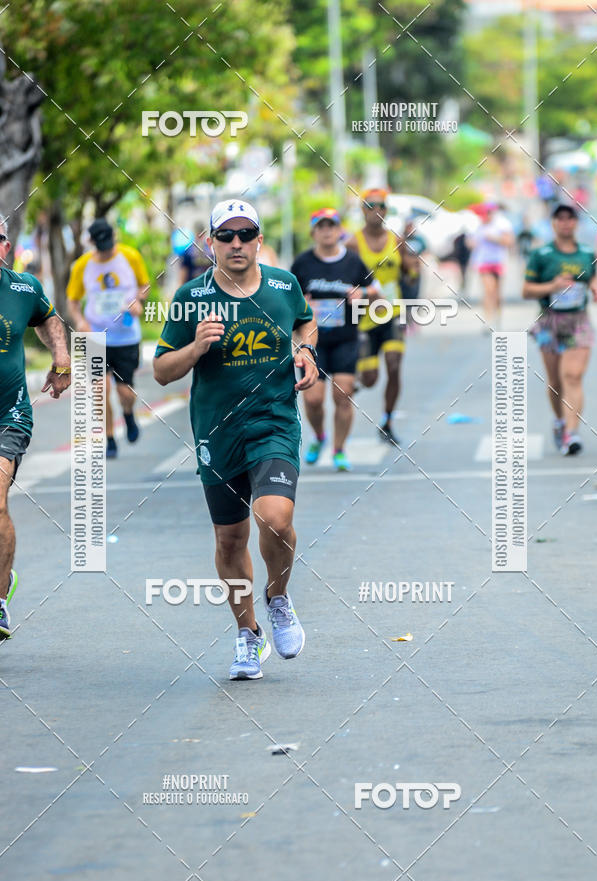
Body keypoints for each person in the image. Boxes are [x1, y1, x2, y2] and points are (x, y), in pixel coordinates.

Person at [153, 199, 318, 681]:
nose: (237, 243)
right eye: (225, 236)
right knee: (230, 538)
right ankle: (248, 635)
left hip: (273, 424)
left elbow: (304, 319)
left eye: (246, 234)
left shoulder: (283, 285)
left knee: (276, 518)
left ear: (259, 240)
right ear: (210, 244)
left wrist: (304, 349)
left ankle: (279, 597)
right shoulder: (190, 297)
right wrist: (197, 346)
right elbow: (162, 371)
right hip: (217, 433)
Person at [0, 217, 71, 637]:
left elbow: (48, 318)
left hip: (8, 415)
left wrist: (61, 358)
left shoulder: (23, 288)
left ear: (5, 247)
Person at [292, 207, 380, 470]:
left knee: (343, 396)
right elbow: (287, 296)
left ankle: (339, 449)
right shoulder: (303, 263)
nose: (327, 231)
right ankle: (319, 436)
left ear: (340, 230)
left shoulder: (353, 261)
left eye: (332, 226)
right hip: (312, 342)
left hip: (345, 339)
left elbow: (377, 292)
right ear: (313, 232)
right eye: (322, 226)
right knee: (313, 399)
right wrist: (299, 302)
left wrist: (362, 294)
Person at [67, 219, 150, 458]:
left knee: (125, 392)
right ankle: (110, 438)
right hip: (96, 336)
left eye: (109, 244)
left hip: (125, 336)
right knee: (100, 391)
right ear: (91, 243)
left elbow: (144, 285)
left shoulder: (129, 256)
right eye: (100, 246)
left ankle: (128, 414)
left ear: (114, 236)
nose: (106, 250)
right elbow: (72, 301)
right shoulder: (82, 266)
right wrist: (80, 322)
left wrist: (138, 301)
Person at [524, 203, 597, 456]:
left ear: (576, 223)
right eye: (560, 218)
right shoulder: (541, 254)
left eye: (570, 218)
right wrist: (552, 286)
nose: (566, 223)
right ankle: (559, 422)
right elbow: (526, 290)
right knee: (556, 382)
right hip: (549, 321)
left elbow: (594, 277)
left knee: (573, 376)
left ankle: (572, 432)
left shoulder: (587, 253)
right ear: (554, 223)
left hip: (578, 321)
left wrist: (596, 287)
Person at [345, 189, 404, 445]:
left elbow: (410, 272)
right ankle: (359, 377)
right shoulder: (352, 244)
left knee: (394, 364)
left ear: (386, 210)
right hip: (364, 318)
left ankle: (388, 421)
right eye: (370, 206)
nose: (376, 210)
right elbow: (344, 280)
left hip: (392, 314)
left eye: (380, 206)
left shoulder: (397, 240)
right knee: (370, 380)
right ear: (362, 210)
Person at [468, 202, 513, 328]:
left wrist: (494, 238)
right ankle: (488, 320)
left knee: (497, 293)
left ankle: (497, 316)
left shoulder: (502, 224)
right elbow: (471, 242)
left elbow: (509, 241)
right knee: (488, 290)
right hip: (483, 262)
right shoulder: (478, 226)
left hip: (498, 261)